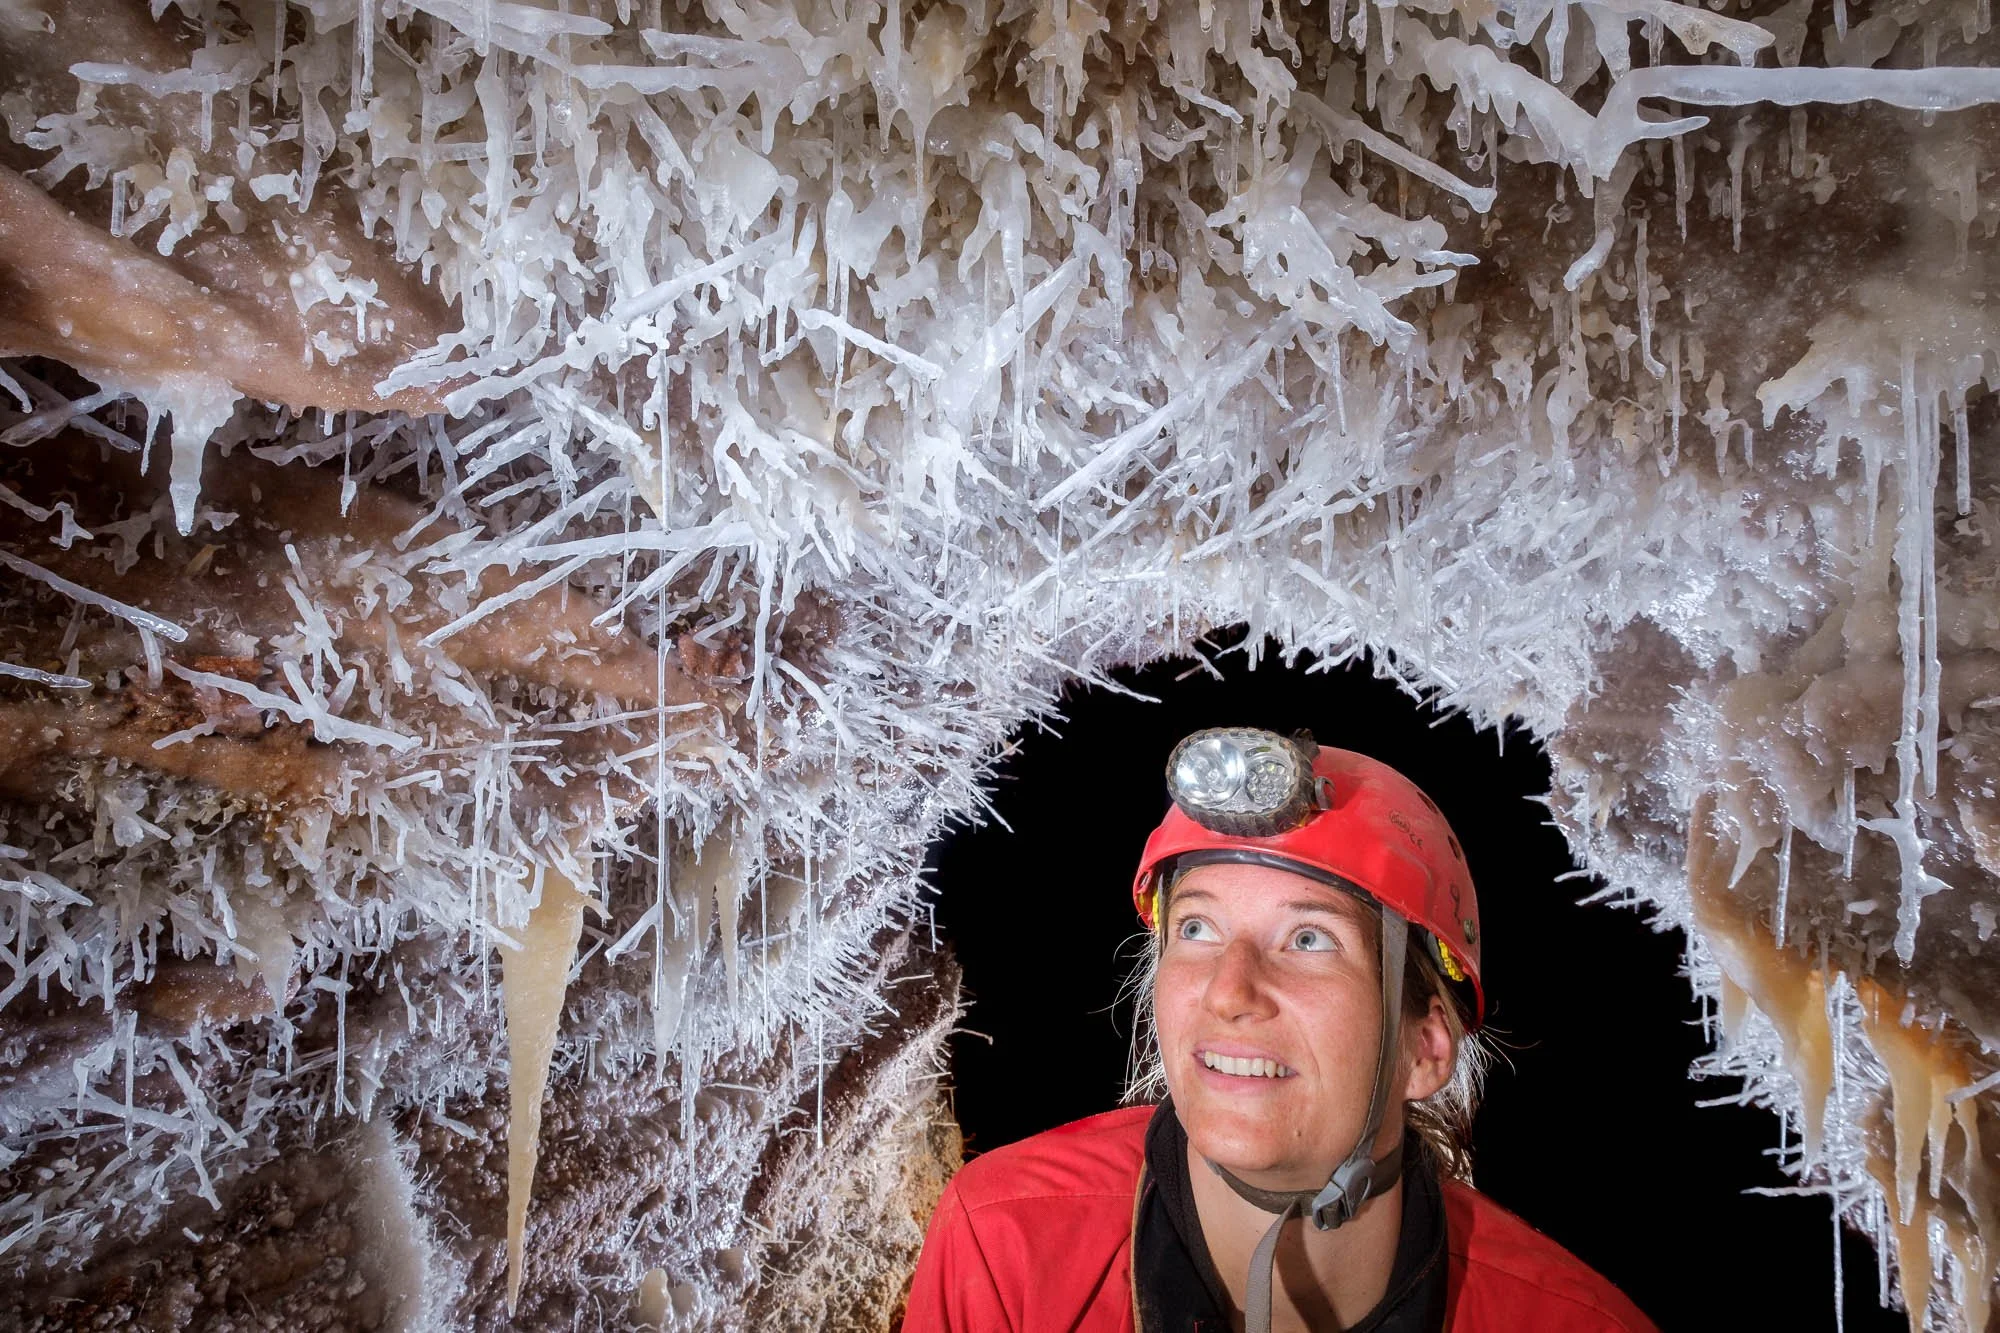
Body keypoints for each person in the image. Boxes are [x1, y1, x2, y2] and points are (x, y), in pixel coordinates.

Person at [904, 727, 1657, 1332]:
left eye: (1308, 940)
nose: (1230, 991)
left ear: (1425, 1045)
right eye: (1197, 926)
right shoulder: (1009, 1245)